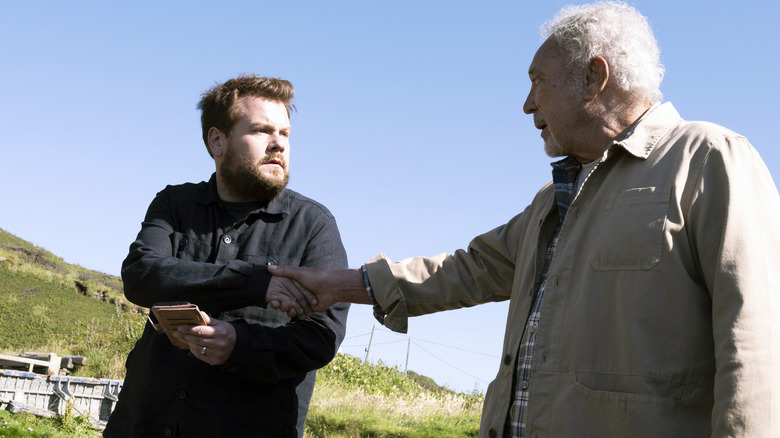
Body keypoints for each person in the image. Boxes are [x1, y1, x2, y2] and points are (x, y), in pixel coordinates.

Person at [268, 2, 780, 437]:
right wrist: (338, 286)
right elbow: (466, 270)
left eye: (539, 82)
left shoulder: (711, 159)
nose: (527, 105)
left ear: (593, 79)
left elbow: (755, 346)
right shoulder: (551, 200)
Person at [103, 74, 350, 438]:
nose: (278, 144)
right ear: (217, 141)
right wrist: (256, 282)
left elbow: (321, 335)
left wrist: (239, 345)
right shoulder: (175, 204)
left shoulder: (314, 225)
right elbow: (142, 275)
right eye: (261, 131)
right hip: (144, 423)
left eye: (285, 134)